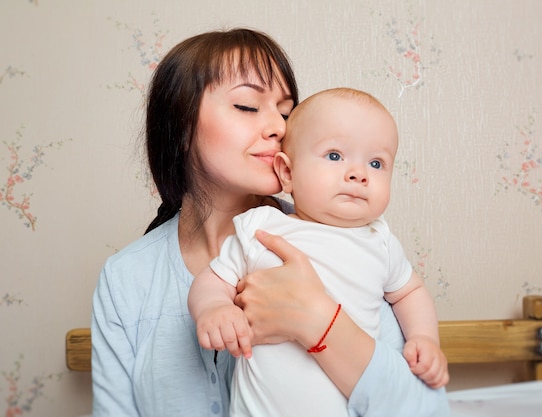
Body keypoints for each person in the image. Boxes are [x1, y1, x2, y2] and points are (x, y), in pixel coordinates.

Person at [91, 28, 450, 417]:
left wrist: (318, 320)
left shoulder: (342, 239)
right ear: (181, 127)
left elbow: (426, 408)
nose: (279, 127)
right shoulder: (126, 278)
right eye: (247, 106)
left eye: (285, 112)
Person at [188, 87, 449, 417]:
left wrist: (425, 339)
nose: (359, 174)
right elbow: (212, 280)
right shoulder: (263, 228)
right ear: (287, 172)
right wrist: (213, 308)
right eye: (335, 156)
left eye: (376, 162)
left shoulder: (379, 240)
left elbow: (410, 291)